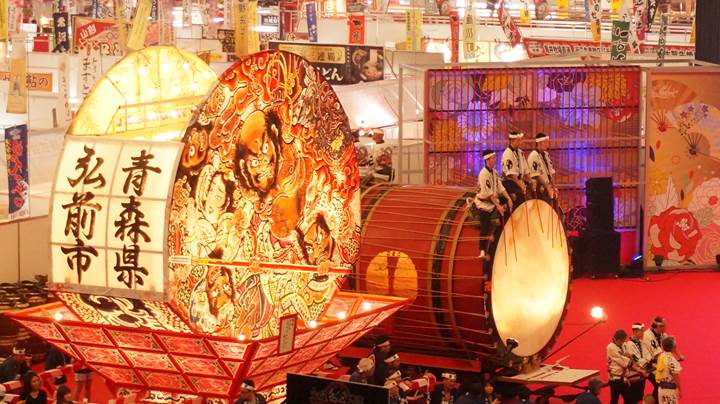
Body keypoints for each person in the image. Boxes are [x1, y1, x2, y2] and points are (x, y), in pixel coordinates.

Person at [468, 150, 512, 260]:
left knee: (507, 200)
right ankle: (482, 249)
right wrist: (498, 206)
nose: (495, 159)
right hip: (484, 204)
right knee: (485, 225)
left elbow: (500, 188)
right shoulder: (483, 174)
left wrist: (508, 198)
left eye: (494, 157)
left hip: (493, 201)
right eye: (493, 158)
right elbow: (489, 194)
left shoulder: (495, 172)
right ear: (487, 160)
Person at [624, 323, 652, 403]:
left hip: (642, 374)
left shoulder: (641, 342)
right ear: (635, 332)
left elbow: (646, 354)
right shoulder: (629, 344)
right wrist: (644, 366)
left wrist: (647, 362)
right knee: (632, 397)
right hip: (634, 375)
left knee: (640, 395)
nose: (643, 333)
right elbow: (636, 359)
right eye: (641, 331)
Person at [501, 131, 530, 205]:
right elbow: (511, 174)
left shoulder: (520, 152)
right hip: (510, 183)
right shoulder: (508, 153)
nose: (520, 142)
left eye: (520, 140)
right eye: (518, 140)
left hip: (518, 181)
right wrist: (520, 184)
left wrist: (531, 180)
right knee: (518, 202)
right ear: (512, 141)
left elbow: (525, 169)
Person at [527, 133, 557, 204]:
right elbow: (536, 175)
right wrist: (547, 187)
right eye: (545, 142)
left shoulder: (546, 155)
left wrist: (553, 187)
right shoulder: (533, 155)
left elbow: (551, 172)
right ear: (539, 143)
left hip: (548, 187)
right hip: (540, 188)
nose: (547, 144)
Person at [607, 329, 633, 404]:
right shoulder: (611, 347)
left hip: (623, 378)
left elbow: (629, 356)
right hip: (615, 379)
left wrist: (627, 356)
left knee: (628, 398)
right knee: (614, 400)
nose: (622, 343)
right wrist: (627, 357)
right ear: (616, 339)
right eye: (621, 341)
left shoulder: (623, 345)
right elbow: (624, 363)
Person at [655, 336, 682, 404]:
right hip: (669, 391)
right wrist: (680, 389)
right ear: (673, 347)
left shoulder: (661, 356)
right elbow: (675, 375)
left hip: (661, 389)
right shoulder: (671, 360)